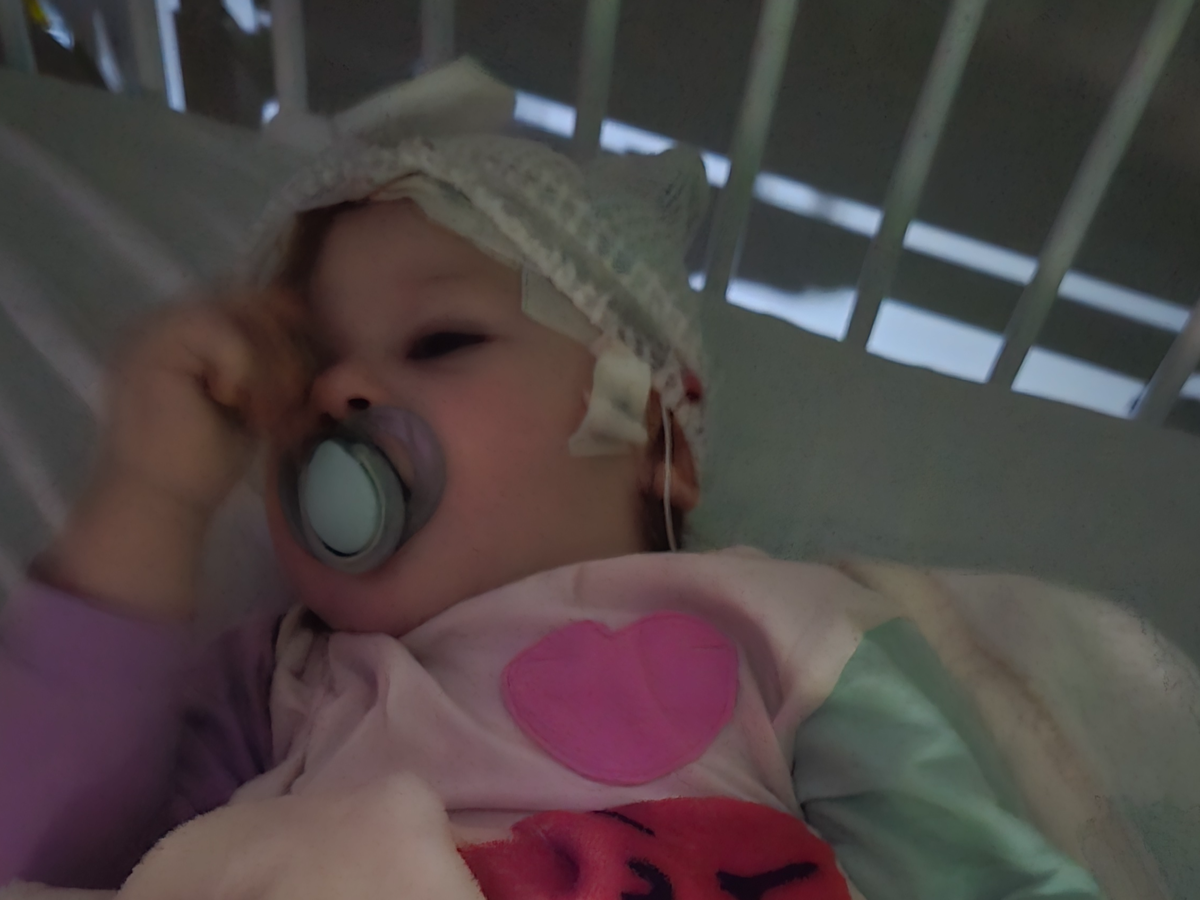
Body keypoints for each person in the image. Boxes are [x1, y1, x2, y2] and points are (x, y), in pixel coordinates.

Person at [0, 89, 1103, 899]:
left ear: (654, 436)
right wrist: (150, 499)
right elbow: (48, 846)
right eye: (303, 376)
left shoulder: (780, 626)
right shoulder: (280, 679)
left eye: (440, 341)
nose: (336, 392)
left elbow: (976, 871)